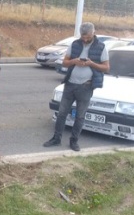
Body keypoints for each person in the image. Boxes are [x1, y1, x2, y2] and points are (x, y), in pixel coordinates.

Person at [44, 22, 110, 152]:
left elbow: (106, 68)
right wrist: (74, 61)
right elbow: (65, 62)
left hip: (86, 87)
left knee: (80, 116)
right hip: (70, 85)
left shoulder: (101, 47)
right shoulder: (75, 44)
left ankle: (74, 141)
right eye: (83, 37)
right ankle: (56, 139)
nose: (85, 39)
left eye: (87, 37)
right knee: (62, 114)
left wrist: (91, 64)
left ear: (93, 33)